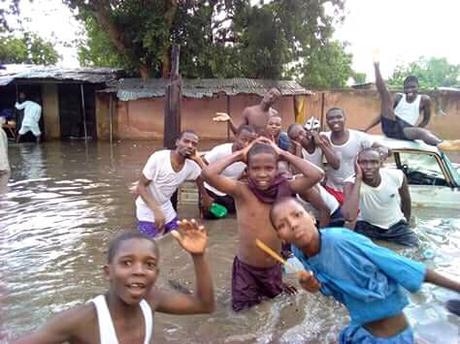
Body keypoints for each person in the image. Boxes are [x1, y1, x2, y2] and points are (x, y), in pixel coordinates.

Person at [270, 197, 460, 343]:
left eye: (297, 215)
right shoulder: (299, 251)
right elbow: (325, 285)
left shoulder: (343, 241)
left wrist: (456, 287)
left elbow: (403, 267)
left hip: (391, 337)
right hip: (361, 329)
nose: (293, 224)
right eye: (282, 225)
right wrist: (310, 285)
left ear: (312, 218)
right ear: (281, 237)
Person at [13, 219, 215, 343]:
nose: (139, 271)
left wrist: (198, 256)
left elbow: (204, 305)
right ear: (108, 272)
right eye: (127, 263)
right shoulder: (82, 320)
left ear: (156, 273)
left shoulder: (151, 300)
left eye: (149, 264)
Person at [202, 137, 324, 311]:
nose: (262, 174)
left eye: (269, 168)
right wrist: (239, 154)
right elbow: (207, 174)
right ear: (247, 169)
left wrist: (283, 153)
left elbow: (317, 175)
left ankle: (278, 284)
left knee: (276, 309)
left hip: (273, 268)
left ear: (277, 168)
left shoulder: (286, 187)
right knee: (243, 315)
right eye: (255, 168)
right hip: (246, 270)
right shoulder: (241, 190)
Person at [364, 56, 460, 151]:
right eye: (407, 88)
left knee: (423, 133)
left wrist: (416, 130)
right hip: (391, 125)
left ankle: (443, 144)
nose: (409, 90)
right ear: (404, 88)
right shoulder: (398, 97)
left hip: (406, 129)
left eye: (412, 87)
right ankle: (376, 66)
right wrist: (366, 129)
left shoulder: (424, 100)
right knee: (385, 94)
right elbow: (383, 114)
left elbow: (426, 119)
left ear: (418, 87)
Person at [136, 129, 212, 238]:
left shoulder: (191, 166)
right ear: (177, 142)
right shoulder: (159, 158)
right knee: (151, 243)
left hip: (166, 207)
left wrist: (205, 196)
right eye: (186, 141)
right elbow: (140, 187)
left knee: (177, 239)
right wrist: (156, 211)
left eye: (194, 144)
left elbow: (205, 176)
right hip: (147, 207)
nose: (190, 146)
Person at [342, 148, 418, 247]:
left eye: (374, 162)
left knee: (416, 248)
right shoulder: (350, 183)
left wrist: (406, 222)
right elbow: (349, 216)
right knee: (358, 252)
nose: (368, 167)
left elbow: (406, 201)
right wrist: (358, 179)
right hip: (367, 226)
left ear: (381, 163)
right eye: (363, 162)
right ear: (356, 164)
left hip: (396, 226)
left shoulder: (396, 176)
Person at [322, 107, 389, 205]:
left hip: (355, 188)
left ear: (345, 118)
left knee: (354, 218)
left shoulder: (359, 137)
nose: (335, 120)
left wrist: (383, 151)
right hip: (331, 189)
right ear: (327, 121)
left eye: (339, 117)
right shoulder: (324, 137)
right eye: (331, 118)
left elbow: (382, 148)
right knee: (336, 218)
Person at [201, 125, 257, 219]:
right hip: (211, 190)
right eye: (243, 139)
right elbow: (202, 170)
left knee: (244, 212)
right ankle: (204, 204)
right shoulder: (220, 151)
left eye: (250, 141)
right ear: (236, 137)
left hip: (228, 191)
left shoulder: (251, 156)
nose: (246, 144)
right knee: (210, 215)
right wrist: (204, 196)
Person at [213, 87, 282, 136]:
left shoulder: (274, 115)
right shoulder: (249, 111)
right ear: (266, 93)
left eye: (275, 97)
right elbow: (238, 133)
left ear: (276, 101)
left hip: (267, 150)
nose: (271, 97)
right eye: (270, 93)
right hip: (251, 149)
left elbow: (276, 136)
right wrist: (229, 120)